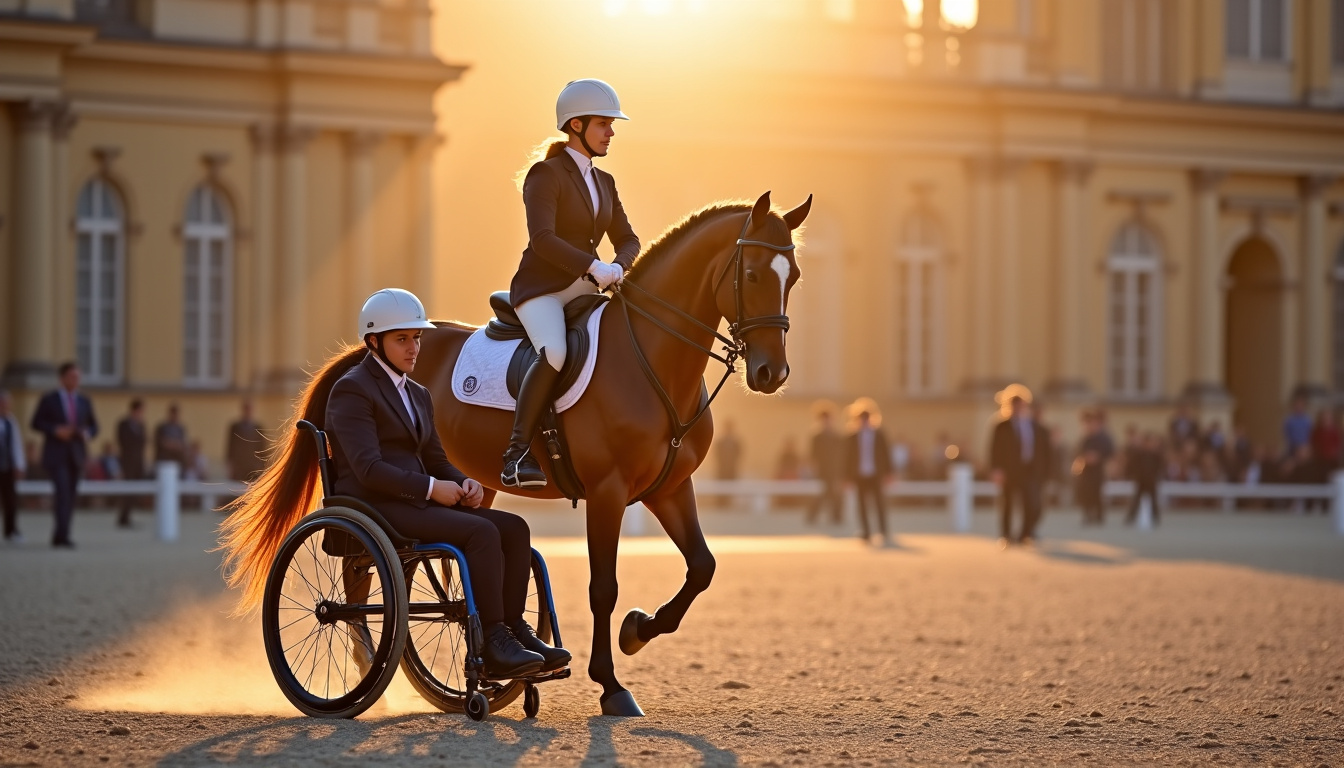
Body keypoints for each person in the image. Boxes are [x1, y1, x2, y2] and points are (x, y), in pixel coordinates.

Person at [326, 288, 568, 677]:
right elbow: (368, 469)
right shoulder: (353, 390)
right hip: (377, 505)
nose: (413, 348)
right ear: (374, 342)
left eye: (417, 338)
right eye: (402, 339)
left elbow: (437, 460)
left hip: (416, 502)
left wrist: (464, 481)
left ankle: (513, 627)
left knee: (514, 528)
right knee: (481, 535)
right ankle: (492, 641)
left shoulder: (419, 394)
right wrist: (430, 490)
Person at [500, 78, 640, 489]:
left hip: (587, 286)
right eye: (603, 124)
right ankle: (516, 452)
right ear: (576, 125)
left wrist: (619, 266)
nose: (611, 132)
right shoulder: (545, 175)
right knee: (556, 352)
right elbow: (543, 240)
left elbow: (628, 239)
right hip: (541, 290)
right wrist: (594, 267)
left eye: (611, 125)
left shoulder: (605, 182)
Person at [30, 362, 99, 548]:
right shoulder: (49, 399)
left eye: (77, 377)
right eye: (71, 377)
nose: (75, 380)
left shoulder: (84, 400)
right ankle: (61, 535)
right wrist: (55, 430)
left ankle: (63, 533)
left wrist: (86, 434)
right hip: (56, 454)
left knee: (71, 495)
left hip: (76, 454)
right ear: (62, 378)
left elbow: (94, 427)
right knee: (62, 493)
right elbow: (36, 422)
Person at [988, 387, 1051, 547]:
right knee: (1007, 504)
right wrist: (996, 469)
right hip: (1008, 471)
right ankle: (1006, 535)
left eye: (1021, 404)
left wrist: (1044, 471)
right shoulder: (1001, 426)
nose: (1018, 408)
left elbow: (1042, 449)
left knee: (1031, 503)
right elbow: (994, 449)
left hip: (1029, 470)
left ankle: (1025, 533)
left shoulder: (1033, 425)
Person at [845, 398, 892, 546]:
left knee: (879, 504)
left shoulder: (879, 434)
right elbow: (847, 458)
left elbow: (886, 454)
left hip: (875, 474)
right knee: (862, 505)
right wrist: (846, 477)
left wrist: (890, 473)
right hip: (859, 475)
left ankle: (883, 530)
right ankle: (866, 532)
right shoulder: (853, 436)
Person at [806, 404, 844, 525]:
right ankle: (813, 516)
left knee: (835, 494)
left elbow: (841, 455)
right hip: (821, 471)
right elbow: (812, 455)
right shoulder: (816, 437)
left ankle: (836, 517)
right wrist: (813, 469)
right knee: (822, 494)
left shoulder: (836, 436)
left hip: (834, 470)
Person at [1075, 409, 1114, 526]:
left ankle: (1099, 515)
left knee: (1097, 493)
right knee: (1086, 493)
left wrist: (1098, 457)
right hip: (1086, 470)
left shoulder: (1104, 438)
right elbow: (1079, 451)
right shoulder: (1086, 438)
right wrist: (1085, 457)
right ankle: (1088, 515)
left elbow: (1110, 452)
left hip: (1098, 470)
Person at [115, 399, 147, 528]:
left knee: (133, 490)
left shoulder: (141, 425)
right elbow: (122, 442)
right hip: (127, 462)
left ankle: (128, 515)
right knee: (126, 490)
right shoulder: (123, 424)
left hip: (138, 462)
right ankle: (123, 517)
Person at [0, 390, 27, 542]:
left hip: (8, 467)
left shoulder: (11, 421)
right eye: (3, 403)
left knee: (11, 500)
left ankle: (11, 531)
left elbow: (16, 445)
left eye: (7, 403)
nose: (5, 406)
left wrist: (19, 465)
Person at [1125, 432, 1164, 526]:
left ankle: (1155, 518)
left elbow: (1160, 467)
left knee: (1154, 500)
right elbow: (1132, 466)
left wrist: (1156, 476)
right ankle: (1131, 518)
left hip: (1151, 481)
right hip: (1141, 481)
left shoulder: (1156, 455)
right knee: (1136, 500)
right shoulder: (1138, 455)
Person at [226, 400, 266, 482]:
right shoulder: (235, 427)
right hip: (239, 466)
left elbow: (262, 448)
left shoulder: (258, 428)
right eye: (246, 409)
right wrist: (231, 465)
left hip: (253, 466)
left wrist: (261, 465)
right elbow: (230, 447)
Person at [154, 403, 188, 470]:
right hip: (164, 461)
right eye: (173, 414)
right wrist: (171, 444)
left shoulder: (180, 429)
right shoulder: (162, 428)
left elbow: (183, 444)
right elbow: (160, 442)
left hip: (178, 461)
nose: (175, 416)